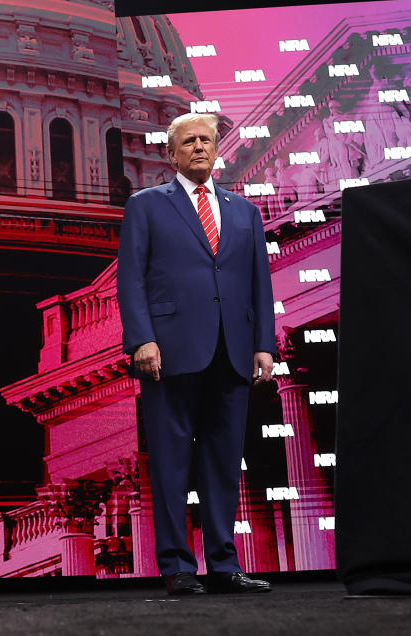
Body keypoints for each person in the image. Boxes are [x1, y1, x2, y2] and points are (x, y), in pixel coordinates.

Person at [117, 113, 275, 595]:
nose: (200, 148)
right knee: (170, 463)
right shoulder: (146, 205)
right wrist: (142, 339)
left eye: (207, 139)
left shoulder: (245, 211)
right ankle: (177, 567)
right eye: (189, 141)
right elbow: (131, 279)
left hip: (232, 350)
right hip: (169, 352)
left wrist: (264, 345)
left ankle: (225, 566)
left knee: (225, 462)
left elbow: (259, 286)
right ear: (172, 154)